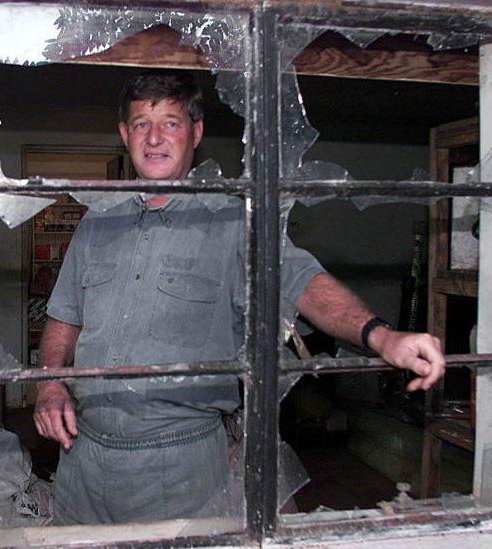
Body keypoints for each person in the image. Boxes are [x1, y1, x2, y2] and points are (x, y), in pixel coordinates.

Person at [33, 72, 445, 525]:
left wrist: (381, 337)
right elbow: (64, 318)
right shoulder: (97, 221)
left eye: (170, 123)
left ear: (196, 132)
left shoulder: (230, 221)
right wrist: (51, 384)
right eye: (140, 124)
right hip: (83, 463)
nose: (153, 138)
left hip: (180, 469)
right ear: (123, 134)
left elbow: (300, 281)